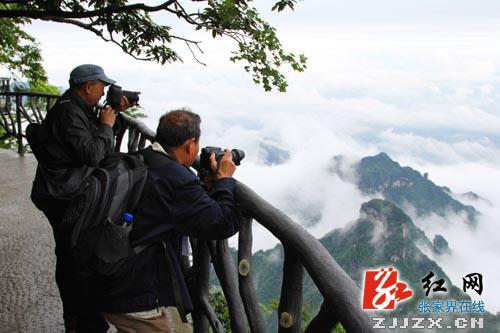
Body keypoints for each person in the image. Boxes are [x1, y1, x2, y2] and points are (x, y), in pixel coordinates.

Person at [99, 109, 240, 332]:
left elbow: (177, 204)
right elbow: (223, 223)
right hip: (139, 297)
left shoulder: (141, 158)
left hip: (108, 277)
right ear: (190, 144)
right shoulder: (176, 179)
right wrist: (224, 181)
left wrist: (205, 185)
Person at [30, 64, 129, 332]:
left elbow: (89, 144)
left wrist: (113, 116)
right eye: (102, 86)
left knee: (72, 254)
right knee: (74, 257)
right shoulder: (68, 112)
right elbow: (94, 154)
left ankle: (79, 317)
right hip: (62, 196)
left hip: (61, 192)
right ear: (88, 86)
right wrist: (107, 126)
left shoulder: (73, 107)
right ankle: (82, 320)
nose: (104, 91)